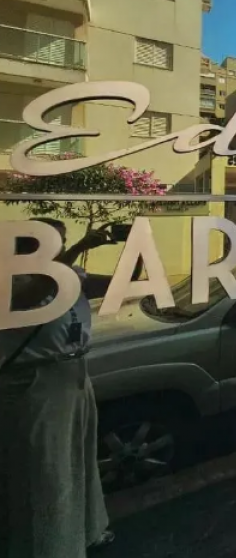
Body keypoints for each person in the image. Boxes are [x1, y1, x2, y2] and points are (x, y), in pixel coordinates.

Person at [0, 218, 115, 558]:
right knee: (46, 469)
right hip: (35, 382)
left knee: (78, 457)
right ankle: (47, 547)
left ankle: (85, 532)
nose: (61, 247)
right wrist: (79, 248)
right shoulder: (12, 278)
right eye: (55, 241)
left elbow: (112, 285)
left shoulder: (69, 273)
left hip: (73, 374)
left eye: (63, 241)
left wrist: (134, 258)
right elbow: (35, 293)